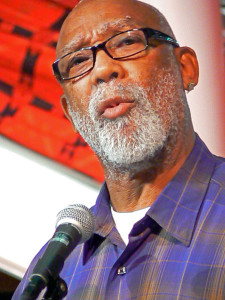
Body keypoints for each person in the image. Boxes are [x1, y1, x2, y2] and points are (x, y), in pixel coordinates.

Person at [13, 0, 225, 299]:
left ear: (185, 68)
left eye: (127, 42)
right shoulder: (55, 267)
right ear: (71, 114)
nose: (102, 69)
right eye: (77, 62)